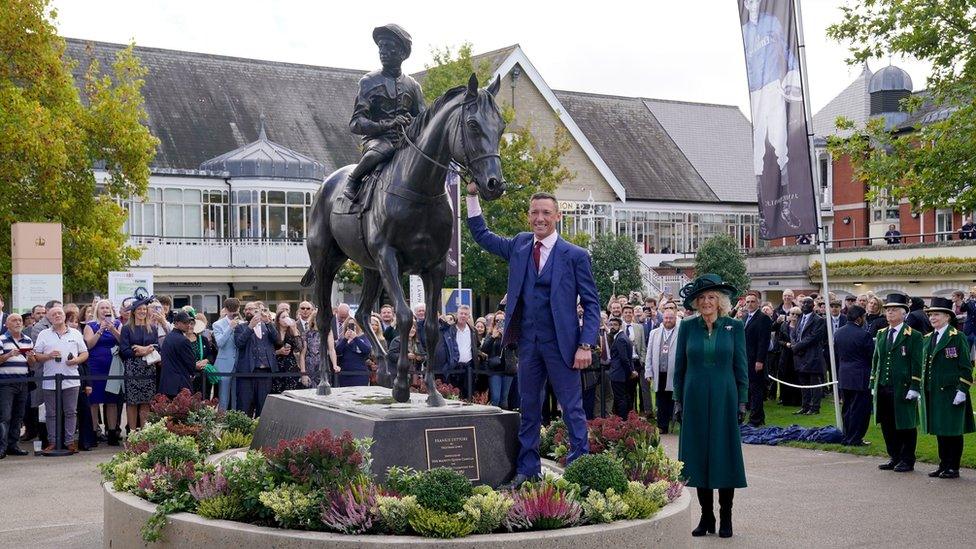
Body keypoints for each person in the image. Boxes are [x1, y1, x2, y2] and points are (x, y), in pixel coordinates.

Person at [466, 189, 600, 487]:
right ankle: (528, 470)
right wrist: (472, 197)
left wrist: (585, 344)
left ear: (557, 216)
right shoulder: (520, 245)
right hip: (528, 344)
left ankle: (579, 471)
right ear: (529, 216)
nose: (539, 218)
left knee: (572, 408)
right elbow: (482, 235)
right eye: (535, 213)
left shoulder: (575, 256)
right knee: (528, 408)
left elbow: (592, 304)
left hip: (563, 345)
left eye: (546, 213)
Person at [672, 274, 747, 538]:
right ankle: (707, 516)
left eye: (712, 297)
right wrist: (677, 400)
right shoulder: (687, 327)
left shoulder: (734, 327)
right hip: (694, 399)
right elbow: (679, 367)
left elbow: (741, 366)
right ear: (695, 302)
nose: (706, 302)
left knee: (724, 456)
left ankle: (726, 516)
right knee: (698, 457)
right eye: (702, 297)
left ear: (721, 301)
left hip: (725, 399)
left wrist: (742, 400)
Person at [343, 24, 425, 201]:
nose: (383, 51)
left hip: (406, 142)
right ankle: (353, 180)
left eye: (389, 47)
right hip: (376, 141)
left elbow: (423, 121)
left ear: (402, 53)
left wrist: (412, 121)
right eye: (381, 47)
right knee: (385, 148)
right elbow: (356, 123)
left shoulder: (413, 86)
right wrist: (387, 124)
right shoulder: (368, 82)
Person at [920, 297, 974, 479]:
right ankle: (943, 464)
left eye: (936, 314)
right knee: (940, 430)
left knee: (953, 431)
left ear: (947, 317)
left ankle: (953, 467)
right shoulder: (928, 338)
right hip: (934, 392)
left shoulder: (957, 337)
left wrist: (962, 390)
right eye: (930, 315)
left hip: (952, 391)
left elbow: (966, 367)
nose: (932, 318)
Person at [870, 293, 923, 473]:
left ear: (904, 313)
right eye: (888, 310)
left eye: (893, 310)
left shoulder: (913, 335)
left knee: (905, 425)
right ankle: (894, 456)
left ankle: (907, 459)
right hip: (884, 386)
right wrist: (873, 384)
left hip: (903, 388)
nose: (889, 313)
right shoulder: (882, 333)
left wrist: (915, 386)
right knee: (887, 424)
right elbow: (876, 360)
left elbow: (918, 362)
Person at [32, 305, 88, 453]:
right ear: (49, 318)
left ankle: (69, 442)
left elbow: (85, 353)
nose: (57, 315)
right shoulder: (43, 334)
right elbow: (36, 356)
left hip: (71, 379)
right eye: (54, 314)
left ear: (64, 315)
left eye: (59, 313)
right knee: (50, 413)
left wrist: (76, 360)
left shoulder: (75, 333)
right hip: (50, 380)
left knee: (70, 412)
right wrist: (49, 356)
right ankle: (52, 442)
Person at [833, 306, 874, 446]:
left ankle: (847, 435)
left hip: (844, 374)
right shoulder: (864, 335)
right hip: (860, 375)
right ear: (859, 318)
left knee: (847, 407)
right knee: (860, 409)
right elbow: (871, 356)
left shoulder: (838, 333)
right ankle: (855, 438)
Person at [82, 299, 122, 445]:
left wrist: (112, 329)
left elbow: (122, 341)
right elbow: (89, 344)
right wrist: (100, 330)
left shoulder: (117, 324)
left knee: (111, 401)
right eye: (102, 308)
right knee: (94, 401)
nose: (105, 310)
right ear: (97, 310)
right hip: (95, 365)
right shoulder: (90, 326)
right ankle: (93, 433)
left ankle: (112, 433)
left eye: (107, 308)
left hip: (113, 365)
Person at [119, 296, 160, 430]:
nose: (142, 311)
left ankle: (144, 432)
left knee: (146, 402)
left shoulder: (152, 328)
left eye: (144, 309)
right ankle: (132, 433)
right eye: (139, 309)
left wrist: (147, 349)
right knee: (132, 402)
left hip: (148, 368)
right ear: (134, 312)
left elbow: (157, 346)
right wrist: (140, 352)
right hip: (132, 368)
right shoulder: (126, 328)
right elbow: (124, 351)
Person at [233, 302, 279, 417]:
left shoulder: (267, 326)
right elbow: (239, 343)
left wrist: (268, 322)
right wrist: (250, 327)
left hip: (265, 372)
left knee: (263, 406)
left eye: (251, 309)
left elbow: (277, 340)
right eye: (246, 309)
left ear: (257, 310)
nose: (248, 311)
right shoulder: (240, 327)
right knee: (244, 406)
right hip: (247, 372)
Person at [0, 314, 33, 458]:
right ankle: (2, 447)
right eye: (14, 320)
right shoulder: (1, 339)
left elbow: (31, 364)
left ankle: (13, 445)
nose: (18, 322)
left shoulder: (28, 340)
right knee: (4, 416)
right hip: (6, 383)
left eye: (20, 320)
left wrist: (31, 358)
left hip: (23, 382)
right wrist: (9, 355)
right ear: (6, 324)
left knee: (18, 416)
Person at [789, 296, 827, 415]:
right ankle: (805, 406)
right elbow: (794, 333)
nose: (804, 305)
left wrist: (797, 346)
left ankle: (815, 407)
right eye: (803, 303)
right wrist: (794, 344)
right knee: (803, 383)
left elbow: (813, 337)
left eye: (808, 303)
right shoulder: (800, 318)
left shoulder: (819, 320)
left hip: (812, 355)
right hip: (800, 356)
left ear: (812, 306)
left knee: (814, 383)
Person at [742, 291, 772, 427]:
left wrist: (760, 360)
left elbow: (763, 341)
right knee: (750, 389)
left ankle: (755, 419)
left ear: (758, 303)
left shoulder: (763, 318)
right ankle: (758, 417)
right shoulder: (744, 317)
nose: (750, 304)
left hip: (756, 361)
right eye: (747, 302)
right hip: (745, 359)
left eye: (752, 301)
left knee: (756, 390)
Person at [646, 308, 679, 433]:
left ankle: (674, 423)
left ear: (675, 319)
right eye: (666, 318)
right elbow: (649, 353)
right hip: (659, 372)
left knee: (673, 398)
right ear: (662, 318)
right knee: (660, 399)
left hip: (673, 372)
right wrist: (648, 371)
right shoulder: (654, 333)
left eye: (671, 318)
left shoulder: (680, 332)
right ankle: (662, 426)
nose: (668, 320)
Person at [159, 311, 205, 397]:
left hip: (167, 384)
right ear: (176, 323)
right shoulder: (183, 340)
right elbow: (190, 363)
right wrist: (193, 371)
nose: (188, 325)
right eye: (185, 322)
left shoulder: (168, 337)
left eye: (189, 322)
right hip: (180, 385)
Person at [212, 298, 241, 411]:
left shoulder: (243, 324)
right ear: (226, 309)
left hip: (239, 363)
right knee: (223, 397)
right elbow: (220, 343)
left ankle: (235, 422)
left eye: (235, 309)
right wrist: (230, 328)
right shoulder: (217, 324)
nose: (233, 312)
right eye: (230, 309)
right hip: (224, 365)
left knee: (237, 396)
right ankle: (221, 422)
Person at [620, 305, 649, 414]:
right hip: (625, 363)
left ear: (632, 314)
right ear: (623, 314)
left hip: (637, 361)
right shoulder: (620, 327)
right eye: (626, 312)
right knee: (629, 389)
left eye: (629, 312)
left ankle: (643, 411)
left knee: (642, 388)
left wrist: (642, 360)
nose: (628, 314)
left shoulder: (639, 327)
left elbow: (642, 346)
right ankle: (630, 411)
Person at [482, 311, 514, 408]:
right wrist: (493, 337)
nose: (499, 322)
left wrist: (506, 336)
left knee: (504, 398)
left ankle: (503, 422)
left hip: (507, 369)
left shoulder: (509, 334)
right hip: (494, 370)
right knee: (495, 398)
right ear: (494, 322)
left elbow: (515, 346)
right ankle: (493, 421)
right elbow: (484, 349)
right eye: (497, 320)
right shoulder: (491, 333)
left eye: (502, 321)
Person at [447, 305, 479, 398]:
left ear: (469, 316)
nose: (463, 316)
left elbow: (476, 346)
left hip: (469, 367)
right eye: (461, 313)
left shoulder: (473, 331)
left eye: (465, 314)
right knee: (453, 396)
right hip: (454, 367)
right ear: (457, 314)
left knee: (468, 396)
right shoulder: (450, 329)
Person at [272, 310, 306, 393]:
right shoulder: (273, 332)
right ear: (278, 320)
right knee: (277, 391)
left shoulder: (292, 332)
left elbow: (300, 348)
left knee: (291, 391)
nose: (286, 319)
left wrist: (294, 330)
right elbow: (268, 350)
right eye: (283, 317)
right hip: (277, 366)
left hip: (290, 366)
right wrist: (278, 352)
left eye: (287, 317)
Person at [336, 317, 372, 387]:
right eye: (348, 326)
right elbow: (337, 351)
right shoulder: (342, 339)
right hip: (344, 374)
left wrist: (356, 338)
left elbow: (367, 350)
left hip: (360, 373)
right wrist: (345, 339)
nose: (351, 327)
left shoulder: (363, 337)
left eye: (353, 325)